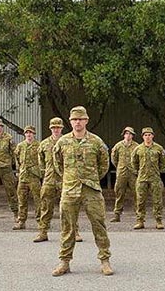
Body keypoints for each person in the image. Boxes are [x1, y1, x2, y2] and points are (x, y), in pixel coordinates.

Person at [51, 106, 113, 276]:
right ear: (70, 122)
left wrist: (91, 178)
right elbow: (58, 165)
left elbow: (104, 164)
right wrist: (70, 178)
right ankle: (64, 262)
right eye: (74, 119)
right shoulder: (62, 142)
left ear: (86, 120)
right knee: (67, 227)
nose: (77, 122)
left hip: (91, 189)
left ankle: (105, 260)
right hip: (70, 189)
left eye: (80, 119)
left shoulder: (96, 142)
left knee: (99, 225)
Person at [34, 117, 81, 243]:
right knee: (45, 206)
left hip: (65, 179)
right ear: (50, 128)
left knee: (69, 207)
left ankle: (74, 232)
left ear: (62, 128)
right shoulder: (43, 144)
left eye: (58, 127)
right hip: (49, 179)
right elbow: (41, 163)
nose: (56, 130)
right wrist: (46, 174)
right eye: (53, 127)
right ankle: (43, 232)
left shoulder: (68, 142)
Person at [130, 127, 165, 230]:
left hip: (155, 178)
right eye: (145, 135)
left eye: (149, 135)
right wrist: (138, 172)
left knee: (157, 200)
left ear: (153, 136)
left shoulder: (158, 148)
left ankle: (158, 220)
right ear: (143, 137)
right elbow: (133, 162)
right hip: (142, 178)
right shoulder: (138, 149)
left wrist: (159, 170)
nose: (147, 137)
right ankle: (140, 221)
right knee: (140, 201)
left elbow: (164, 161)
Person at [13, 126, 42, 230]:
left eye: (31, 133)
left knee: (38, 200)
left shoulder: (39, 145)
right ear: (24, 134)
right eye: (27, 133)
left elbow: (42, 159)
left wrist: (40, 171)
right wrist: (19, 170)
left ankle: (40, 221)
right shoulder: (21, 146)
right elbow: (16, 158)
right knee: (21, 200)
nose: (29, 135)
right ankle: (21, 221)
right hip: (23, 176)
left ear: (34, 134)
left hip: (34, 177)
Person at [110, 127, 138, 223]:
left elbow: (139, 159)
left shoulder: (136, 146)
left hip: (133, 173)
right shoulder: (118, 146)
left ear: (133, 135)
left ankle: (139, 215)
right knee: (119, 193)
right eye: (126, 133)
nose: (128, 135)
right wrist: (120, 166)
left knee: (137, 193)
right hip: (122, 173)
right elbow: (114, 158)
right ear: (124, 135)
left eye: (130, 134)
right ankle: (117, 214)